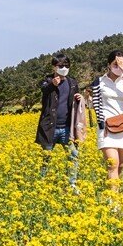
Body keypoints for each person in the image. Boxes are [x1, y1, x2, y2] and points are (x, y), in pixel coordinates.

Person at [36, 54, 84, 190]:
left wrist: (80, 98)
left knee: (73, 156)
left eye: (66, 66)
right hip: (50, 128)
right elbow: (44, 90)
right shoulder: (47, 81)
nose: (64, 68)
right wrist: (52, 84)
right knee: (46, 158)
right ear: (54, 67)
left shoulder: (72, 83)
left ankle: (72, 184)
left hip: (67, 128)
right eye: (61, 66)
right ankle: (41, 184)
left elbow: (74, 101)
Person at [91, 51, 123, 187]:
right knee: (113, 164)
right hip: (106, 127)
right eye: (115, 64)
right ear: (109, 65)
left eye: (122, 63)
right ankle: (113, 204)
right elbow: (94, 103)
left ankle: (113, 193)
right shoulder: (99, 82)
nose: (118, 66)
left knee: (121, 165)